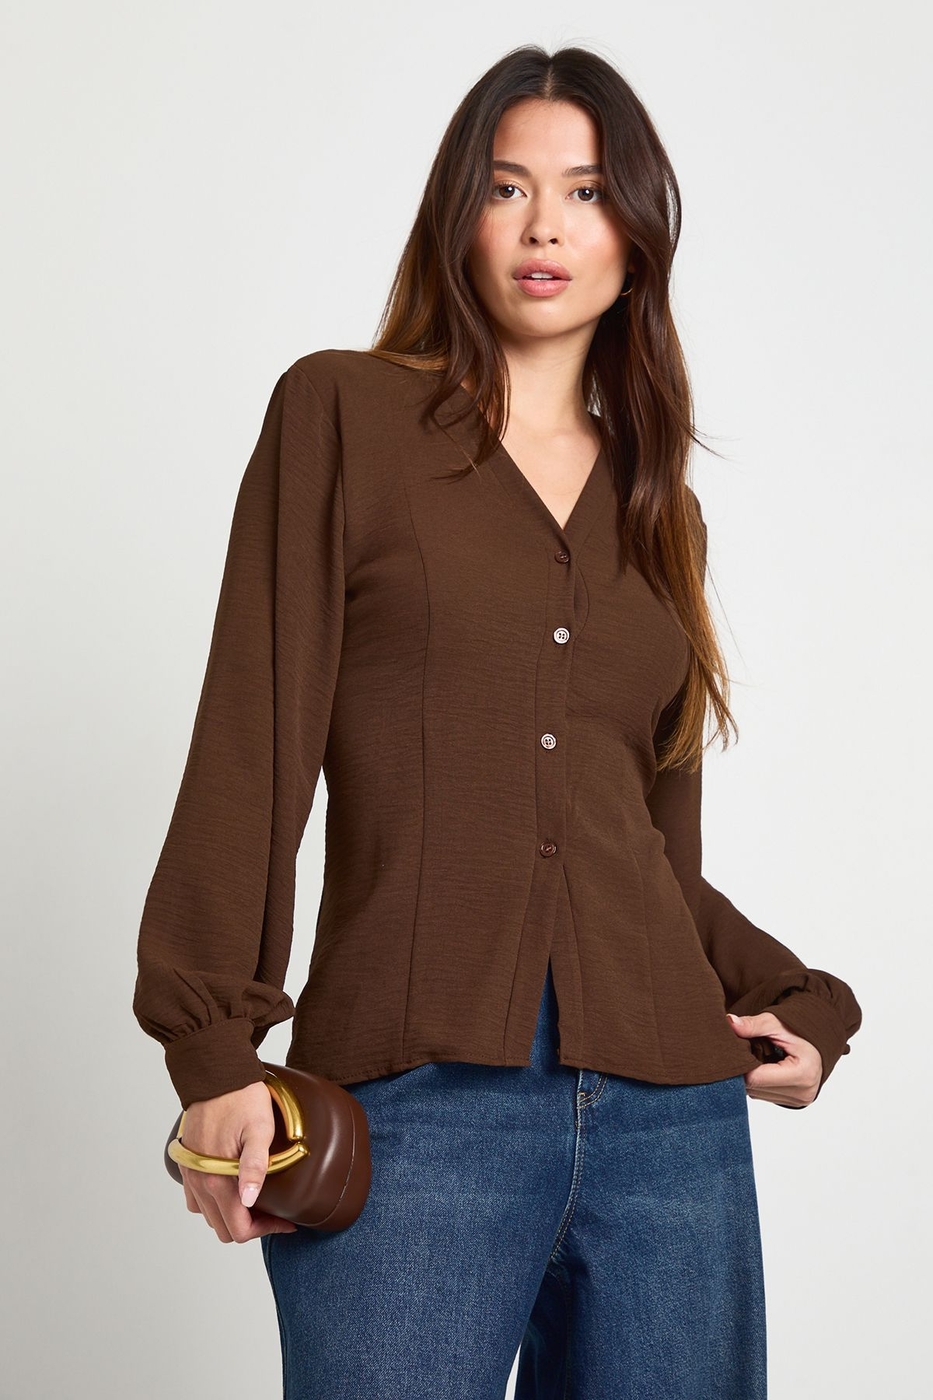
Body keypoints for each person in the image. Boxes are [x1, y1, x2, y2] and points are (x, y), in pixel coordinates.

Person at [133, 44, 863, 1400]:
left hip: (672, 1131)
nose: (544, 228)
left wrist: (807, 1005)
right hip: (417, 1114)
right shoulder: (343, 415)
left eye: (585, 192)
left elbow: (647, 856)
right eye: (507, 187)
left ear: (635, 236)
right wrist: (213, 1048)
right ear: (456, 216)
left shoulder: (662, 514)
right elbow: (252, 745)